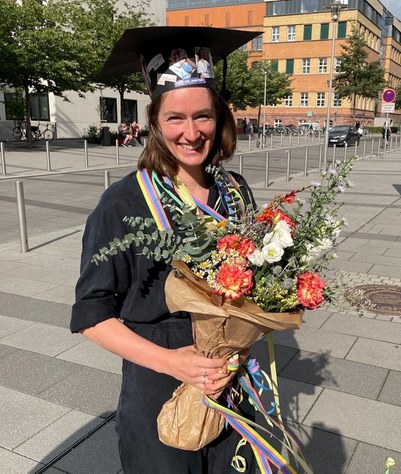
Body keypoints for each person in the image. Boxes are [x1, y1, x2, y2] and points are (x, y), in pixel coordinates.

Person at [71, 26, 260, 473]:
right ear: (155, 122)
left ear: (220, 117)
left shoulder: (235, 191)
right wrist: (171, 361)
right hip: (158, 382)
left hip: (230, 382)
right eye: (176, 118)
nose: (192, 133)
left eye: (203, 116)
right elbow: (91, 315)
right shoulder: (122, 203)